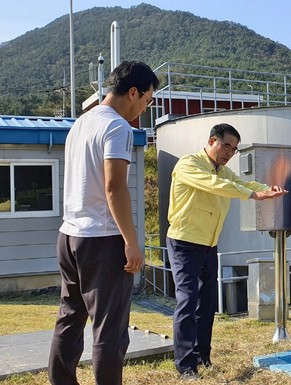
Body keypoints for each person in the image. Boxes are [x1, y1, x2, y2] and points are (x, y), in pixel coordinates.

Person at [48, 61, 160, 385]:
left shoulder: (80, 124)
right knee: (109, 328)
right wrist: (132, 241)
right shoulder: (118, 127)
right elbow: (114, 186)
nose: (145, 107)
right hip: (103, 238)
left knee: (69, 318)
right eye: (147, 100)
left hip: (69, 235)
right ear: (134, 92)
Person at [166, 123, 287, 379]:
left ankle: (202, 356)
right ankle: (185, 365)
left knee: (207, 303)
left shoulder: (223, 170)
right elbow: (216, 186)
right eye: (226, 146)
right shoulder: (190, 164)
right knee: (187, 302)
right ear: (212, 141)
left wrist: (266, 188)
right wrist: (253, 196)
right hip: (185, 242)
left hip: (209, 244)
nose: (229, 153)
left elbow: (243, 182)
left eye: (233, 149)